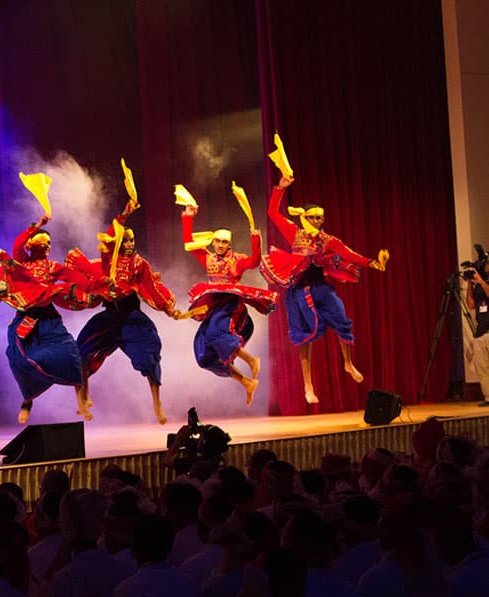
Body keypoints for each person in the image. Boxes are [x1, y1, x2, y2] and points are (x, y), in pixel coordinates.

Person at [261, 175, 387, 404]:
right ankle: (308, 385)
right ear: (304, 218)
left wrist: (370, 262)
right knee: (304, 337)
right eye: (313, 217)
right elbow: (273, 213)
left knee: (342, 319)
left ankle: (347, 363)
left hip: (321, 287)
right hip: (299, 289)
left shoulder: (327, 240)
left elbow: (348, 253)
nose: (317, 220)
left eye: (320, 217)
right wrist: (280, 188)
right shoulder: (294, 232)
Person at [0, 214, 94, 424]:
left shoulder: (52, 267)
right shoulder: (23, 262)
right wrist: (37, 226)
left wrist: (94, 285)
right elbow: (17, 245)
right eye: (43, 241)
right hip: (27, 321)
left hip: (49, 319)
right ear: (33, 245)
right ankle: (27, 401)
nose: (48, 245)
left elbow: (73, 277)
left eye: (50, 243)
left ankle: (81, 402)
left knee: (72, 353)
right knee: (22, 359)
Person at [73, 198, 178, 424]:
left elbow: (151, 288)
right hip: (110, 316)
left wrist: (168, 309)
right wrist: (124, 215)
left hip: (131, 318)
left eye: (133, 240)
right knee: (80, 350)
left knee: (149, 356)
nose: (130, 244)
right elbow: (111, 233)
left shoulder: (140, 264)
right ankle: (83, 398)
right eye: (126, 240)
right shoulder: (108, 260)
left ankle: (157, 402)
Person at [182, 200, 276, 405]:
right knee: (204, 355)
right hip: (215, 309)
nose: (220, 245)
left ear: (229, 244)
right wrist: (188, 217)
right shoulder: (208, 259)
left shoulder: (237, 260)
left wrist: (255, 237)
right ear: (213, 242)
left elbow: (255, 261)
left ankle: (251, 360)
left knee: (216, 333)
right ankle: (246, 382)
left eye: (224, 242)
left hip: (232, 307)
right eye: (217, 241)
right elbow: (189, 244)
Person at [464, 266, 489, 406]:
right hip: (480, 332)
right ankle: (488, 398)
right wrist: (469, 284)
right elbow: (471, 304)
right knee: (483, 368)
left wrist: (480, 280)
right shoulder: (478, 287)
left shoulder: (484, 284)